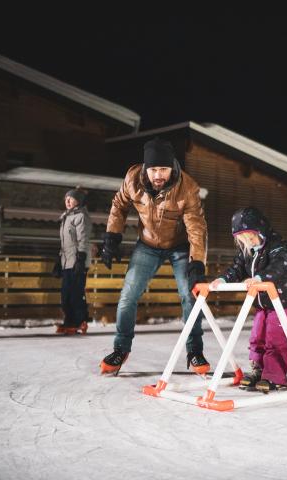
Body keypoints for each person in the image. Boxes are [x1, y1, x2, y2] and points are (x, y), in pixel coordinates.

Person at [99, 137, 208, 375]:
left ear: (172, 167)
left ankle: (195, 350)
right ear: (146, 168)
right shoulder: (132, 180)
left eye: (164, 169)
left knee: (190, 296)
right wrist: (111, 237)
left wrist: (197, 261)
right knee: (128, 294)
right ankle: (120, 348)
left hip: (180, 246)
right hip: (147, 244)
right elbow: (119, 205)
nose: (158, 175)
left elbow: (196, 227)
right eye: (154, 170)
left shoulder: (187, 187)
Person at [209, 207, 287, 393]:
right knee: (257, 337)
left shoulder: (277, 245)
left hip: (281, 302)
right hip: (262, 304)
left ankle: (274, 376)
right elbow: (237, 268)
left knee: (275, 339)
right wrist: (223, 279)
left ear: (260, 230)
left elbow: (280, 265)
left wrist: (260, 278)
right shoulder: (248, 251)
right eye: (243, 238)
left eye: (251, 236)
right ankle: (259, 370)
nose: (248, 241)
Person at [53, 187, 92, 334]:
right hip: (67, 261)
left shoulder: (81, 216)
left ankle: (78, 321)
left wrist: (81, 259)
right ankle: (70, 321)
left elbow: (83, 238)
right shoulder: (66, 217)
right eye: (66, 199)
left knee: (75, 293)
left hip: (77, 261)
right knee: (66, 295)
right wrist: (59, 259)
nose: (67, 201)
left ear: (79, 201)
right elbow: (65, 243)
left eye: (71, 198)